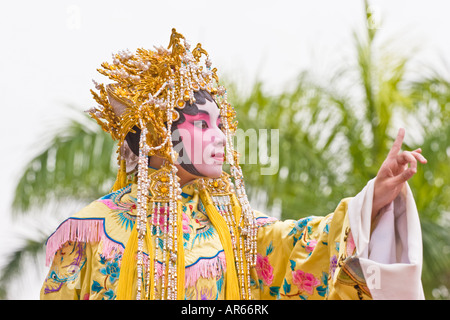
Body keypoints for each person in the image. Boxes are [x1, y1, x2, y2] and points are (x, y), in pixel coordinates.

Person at [40, 29, 427, 300]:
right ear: (158, 131)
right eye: (203, 125)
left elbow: (302, 248)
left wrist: (373, 198)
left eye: (222, 125)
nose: (221, 137)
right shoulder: (90, 232)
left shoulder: (235, 227)